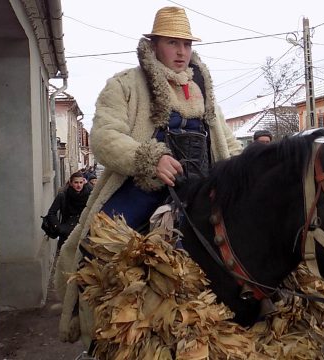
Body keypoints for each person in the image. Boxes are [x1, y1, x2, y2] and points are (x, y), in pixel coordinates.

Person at [54, 6, 242, 345]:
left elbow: (224, 139)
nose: (182, 51)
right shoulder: (125, 85)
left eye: (186, 43)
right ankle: (103, 333)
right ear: (154, 44)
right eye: (173, 42)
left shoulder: (203, 89)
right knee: (96, 245)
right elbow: (104, 137)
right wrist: (148, 159)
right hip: (144, 187)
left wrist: (247, 170)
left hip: (202, 188)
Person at [46, 172, 91, 250]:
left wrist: (87, 184)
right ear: (70, 183)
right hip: (66, 232)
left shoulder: (88, 194)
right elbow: (51, 213)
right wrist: (59, 227)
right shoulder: (63, 195)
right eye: (76, 182)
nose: (79, 185)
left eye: (81, 182)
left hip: (83, 232)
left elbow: (96, 195)